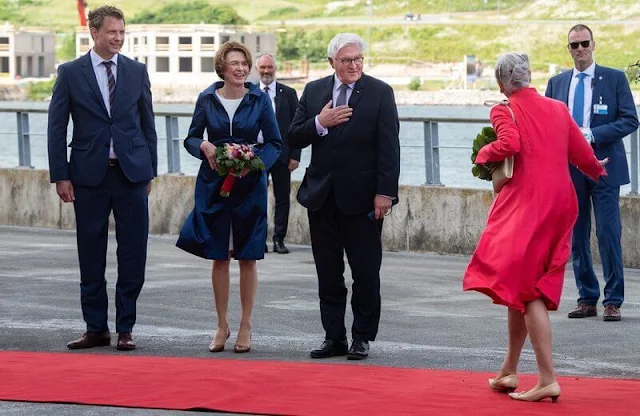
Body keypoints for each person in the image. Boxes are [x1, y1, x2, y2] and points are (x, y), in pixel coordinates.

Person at [463, 53, 607, 402]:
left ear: (501, 83)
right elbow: (580, 153)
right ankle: (508, 371)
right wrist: (598, 170)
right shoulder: (557, 108)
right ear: (528, 78)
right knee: (520, 284)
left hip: (528, 205)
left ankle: (547, 379)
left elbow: (509, 144)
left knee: (528, 291)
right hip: (560, 203)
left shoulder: (502, 109)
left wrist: (484, 156)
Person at [47, 5, 157, 351]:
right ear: (94, 32)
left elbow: (148, 123)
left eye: (122, 32)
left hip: (131, 176)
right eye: (112, 32)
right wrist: (60, 176)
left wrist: (149, 169)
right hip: (87, 177)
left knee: (133, 253)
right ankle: (96, 328)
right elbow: (55, 127)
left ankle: (125, 327)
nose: (119, 38)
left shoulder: (137, 71)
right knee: (90, 253)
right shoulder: (70, 72)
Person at [288, 33, 400, 360]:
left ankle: (362, 337)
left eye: (358, 59)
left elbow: (389, 148)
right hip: (322, 197)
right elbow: (294, 135)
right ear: (332, 63)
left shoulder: (379, 92)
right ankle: (333, 337)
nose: (354, 65)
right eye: (347, 60)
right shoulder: (313, 91)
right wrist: (319, 123)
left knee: (365, 272)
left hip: (364, 199)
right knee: (328, 272)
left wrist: (385, 194)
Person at [176, 41, 282, 354]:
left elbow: (275, 143)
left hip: (249, 187)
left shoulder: (259, 99)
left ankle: (246, 324)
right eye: (233, 63)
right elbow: (191, 138)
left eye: (244, 63)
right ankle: (222, 324)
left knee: (248, 256)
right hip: (214, 184)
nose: (240, 69)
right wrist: (204, 147)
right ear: (222, 67)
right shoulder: (206, 98)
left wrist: (254, 162)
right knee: (219, 256)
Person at [545, 24, 639, 321]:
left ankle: (613, 300)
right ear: (568, 49)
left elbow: (630, 120)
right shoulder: (557, 83)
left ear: (593, 45)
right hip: (570, 170)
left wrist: (593, 134)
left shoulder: (614, 79)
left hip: (605, 169)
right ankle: (587, 298)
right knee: (577, 235)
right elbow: (547, 125)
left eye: (585, 43)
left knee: (608, 234)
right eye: (574, 45)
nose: (580, 49)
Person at [255, 53, 300, 254]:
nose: (266, 71)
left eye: (269, 67)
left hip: (282, 154)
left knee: (282, 198)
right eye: (262, 67)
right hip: (256, 154)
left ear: (275, 68)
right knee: (257, 198)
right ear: (257, 69)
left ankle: (279, 239)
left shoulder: (288, 93)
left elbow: (297, 126)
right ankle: (259, 239)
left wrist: (295, 155)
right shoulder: (250, 93)